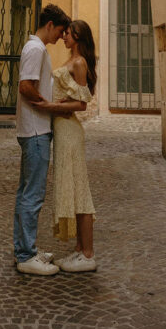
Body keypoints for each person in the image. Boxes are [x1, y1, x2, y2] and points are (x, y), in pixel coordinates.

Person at [13, 3, 71, 275]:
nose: (61, 36)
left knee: (27, 192)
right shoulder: (36, 49)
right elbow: (26, 86)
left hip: (34, 130)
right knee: (32, 194)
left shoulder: (35, 48)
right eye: (60, 31)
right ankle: (26, 256)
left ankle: (27, 249)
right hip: (36, 130)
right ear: (50, 25)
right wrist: (47, 104)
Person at [51, 19, 98, 273]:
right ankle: (80, 249)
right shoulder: (73, 60)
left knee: (80, 190)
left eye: (67, 33)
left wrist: (52, 107)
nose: (64, 36)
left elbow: (81, 105)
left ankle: (88, 254)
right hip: (63, 130)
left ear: (77, 36)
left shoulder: (79, 63)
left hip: (70, 130)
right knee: (74, 188)